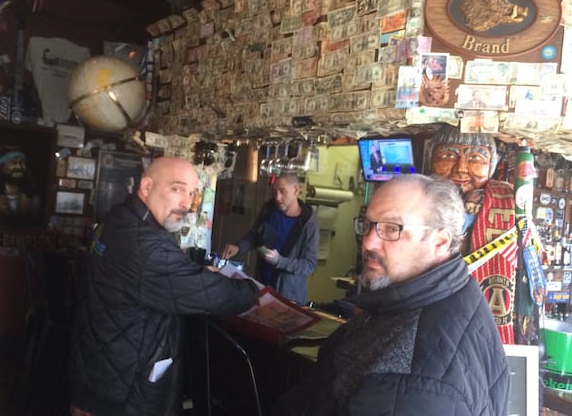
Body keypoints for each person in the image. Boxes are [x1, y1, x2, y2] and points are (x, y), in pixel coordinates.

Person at [273, 174, 510, 416]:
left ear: (440, 241)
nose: (368, 243)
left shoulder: (417, 384)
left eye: (392, 228)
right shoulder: (454, 293)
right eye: (368, 226)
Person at [68, 157, 260, 416]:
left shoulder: (119, 218)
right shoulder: (146, 246)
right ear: (146, 187)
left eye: (192, 193)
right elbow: (220, 296)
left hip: (100, 374)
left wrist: (192, 274)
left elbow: (153, 276)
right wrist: (252, 289)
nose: (187, 203)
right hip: (122, 390)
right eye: (177, 189)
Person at [428, 124, 520, 344]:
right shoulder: (415, 201)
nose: (461, 168)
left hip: (477, 312)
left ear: (492, 165)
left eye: (476, 157)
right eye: (448, 155)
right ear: (431, 159)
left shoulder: (506, 204)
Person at [221, 172, 319, 305]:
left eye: (282, 191)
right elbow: (255, 236)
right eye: (274, 192)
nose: (277, 197)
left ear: (296, 190)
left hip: (289, 297)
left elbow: (309, 264)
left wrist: (280, 261)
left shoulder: (309, 223)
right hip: (261, 288)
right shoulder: (270, 208)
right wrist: (238, 247)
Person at [0, 145, 42, 222]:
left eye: (22, 163)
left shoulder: (35, 202)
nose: (19, 167)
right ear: (0, 167)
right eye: (13, 162)